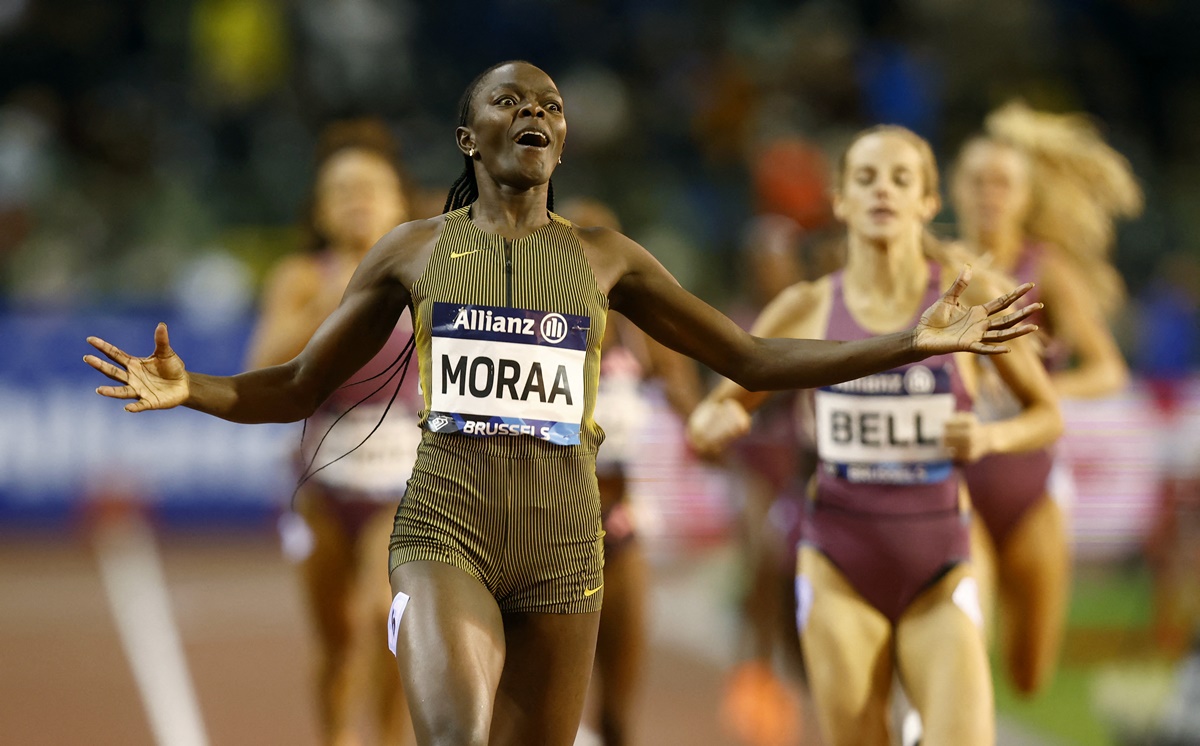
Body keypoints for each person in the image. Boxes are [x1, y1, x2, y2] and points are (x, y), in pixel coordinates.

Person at [84, 61, 1039, 746]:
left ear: (563, 139)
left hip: (565, 547)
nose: (533, 111)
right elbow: (297, 386)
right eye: (509, 100)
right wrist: (192, 388)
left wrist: (909, 341)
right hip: (446, 529)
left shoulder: (605, 259)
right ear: (472, 137)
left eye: (549, 103)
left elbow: (750, 357)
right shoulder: (413, 251)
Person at [687, 125, 1063, 746]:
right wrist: (714, 423)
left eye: (900, 179)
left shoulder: (968, 300)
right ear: (840, 201)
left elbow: (1046, 414)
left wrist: (989, 440)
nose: (882, 190)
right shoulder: (806, 308)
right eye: (865, 178)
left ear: (928, 202)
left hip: (942, 561)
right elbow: (717, 410)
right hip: (839, 565)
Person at [951, 101, 1143, 695]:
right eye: (979, 181)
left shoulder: (1047, 270)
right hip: (959, 478)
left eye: (1002, 183)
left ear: (1026, 197)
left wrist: (1038, 393)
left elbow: (1109, 370)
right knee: (963, 655)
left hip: (1034, 485)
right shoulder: (940, 269)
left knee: (1030, 676)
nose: (990, 194)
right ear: (958, 190)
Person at [244, 119, 419, 745]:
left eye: (370, 187)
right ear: (320, 210)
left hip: (402, 488)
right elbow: (264, 362)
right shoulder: (301, 277)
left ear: (400, 202)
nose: (357, 199)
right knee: (336, 639)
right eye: (341, 190)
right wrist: (335, 298)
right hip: (321, 486)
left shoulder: (431, 277)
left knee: (384, 618)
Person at [555, 197, 703, 746]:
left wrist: (708, 416)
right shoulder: (530, 329)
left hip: (619, 532)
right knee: (546, 712)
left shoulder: (639, 333)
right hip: (545, 535)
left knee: (619, 715)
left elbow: (689, 397)